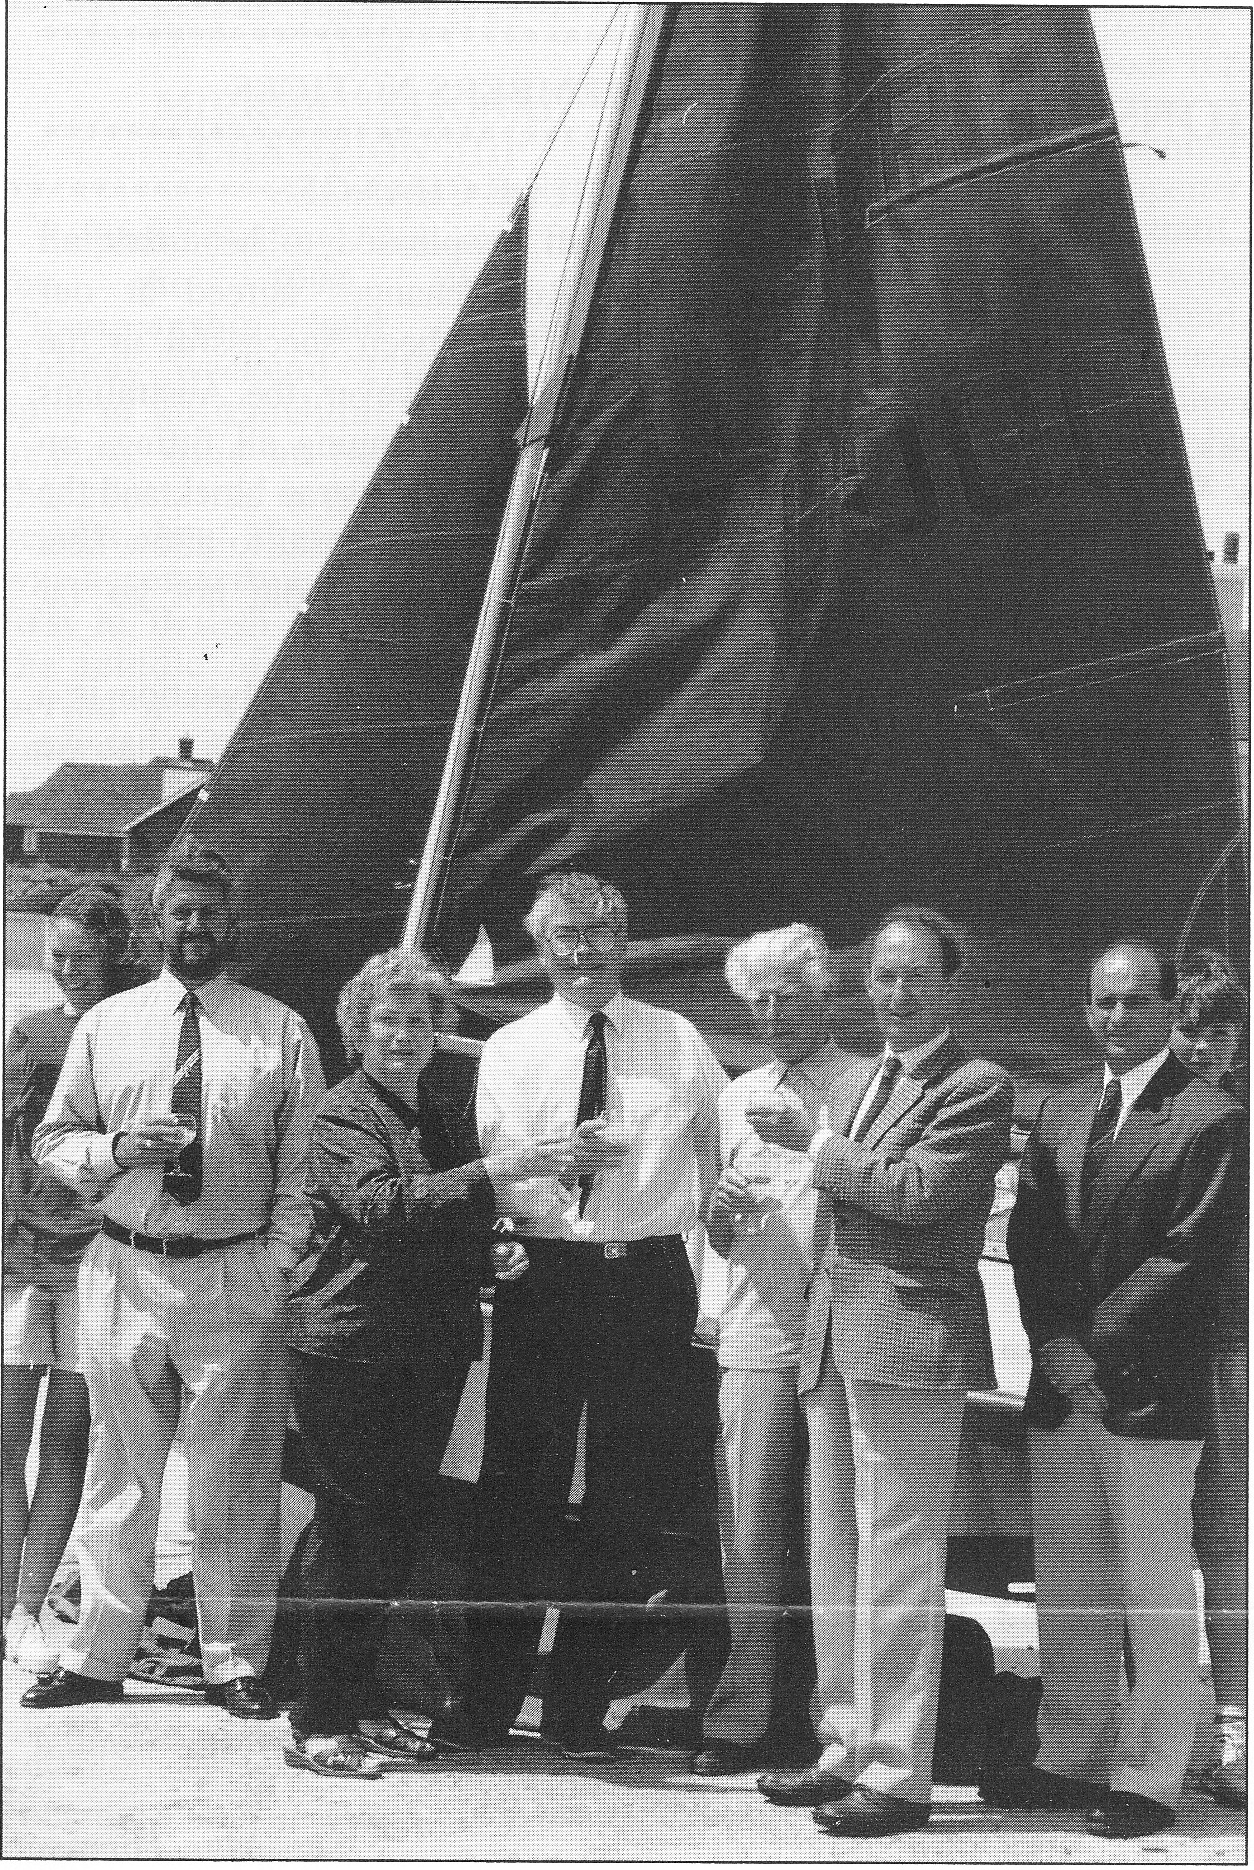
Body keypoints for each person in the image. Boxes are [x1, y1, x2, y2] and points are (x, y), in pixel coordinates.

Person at [426, 872, 726, 1761]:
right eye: (568, 935)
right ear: (541, 947)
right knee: (517, 1491)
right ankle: (484, 1702)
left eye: (605, 931)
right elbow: (488, 1176)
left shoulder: (678, 1041)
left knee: (628, 1502)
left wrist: (714, 1289)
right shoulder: (510, 1049)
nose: (588, 951)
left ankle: (580, 1709)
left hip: (646, 1278)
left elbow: (721, 1166)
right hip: (545, 1280)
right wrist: (504, 1237)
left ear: (626, 940)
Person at [23, 842, 324, 1716]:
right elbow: (53, 1143)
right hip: (123, 1264)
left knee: (234, 1482)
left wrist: (273, 1264)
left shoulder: (280, 1028)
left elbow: (305, 1166)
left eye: (210, 914)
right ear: (157, 923)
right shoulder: (107, 1025)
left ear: (233, 926)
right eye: (180, 913)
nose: (195, 927)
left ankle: (235, 1662)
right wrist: (116, 1151)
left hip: (235, 1273)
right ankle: (96, 1657)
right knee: (119, 1474)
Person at [750, 906, 1011, 1838]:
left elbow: (923, 1195)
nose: (896, 994)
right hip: (834, 1338)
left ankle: (900, 1775)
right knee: (837, 1560)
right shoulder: (870, 1080)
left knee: (899, 1560)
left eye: (916, 979)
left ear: (951, 986)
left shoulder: (976, 1084)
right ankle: (845, 1745)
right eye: (883, 978)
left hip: (906, 1343)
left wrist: (815, 1148)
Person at [283, 948, 564, 1780]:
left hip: (424, 1351)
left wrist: (495, 1253)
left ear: (438, 1031)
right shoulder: (343, 1115)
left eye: (419, 1020)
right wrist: (496, 1170)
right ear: (356, 1030)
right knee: (351, 1534)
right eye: (387, 1020)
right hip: (350, 1349)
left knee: (393, 1534)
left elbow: (453, 1223)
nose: (404, 1035)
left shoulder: (435, 1115)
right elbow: (380, 1207)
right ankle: (317, 1719)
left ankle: (359, 1704)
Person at [997, 939, 1246, 1839]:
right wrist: (1052, 1345)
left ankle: (1147, 1778)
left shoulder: (1212, 1117)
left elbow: (1187, 1254)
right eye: (1101, 1001)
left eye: (1135, 1002)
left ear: (1165, 1009)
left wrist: (1088, 1347)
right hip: (1063, 1387)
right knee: (1070, 1583)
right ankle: (1069, 1754)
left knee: (1152, 1588)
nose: (1115, 1018)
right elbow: (1030, 1244)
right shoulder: (1060, 1111)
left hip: (1145, 1391)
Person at [693, 924, 851, 1776]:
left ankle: (837, 1726)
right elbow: (718, 1229)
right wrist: (718, 1215)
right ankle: (743, 1715)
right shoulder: (734, 1092)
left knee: (840, 1540)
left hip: (842, 1335)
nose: (773, 1010)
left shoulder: (865, 1084)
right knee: (747, 1537)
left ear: (825, 992)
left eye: (789, 991)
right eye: (757, 998)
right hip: (754, 1330)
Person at [3, 887, 146, 1674]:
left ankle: (26, 1608)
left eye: (84, 958)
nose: (67, 971)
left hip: (96, 1261)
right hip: (20, 1259)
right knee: (5, 1441)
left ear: (116, 956)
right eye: (56, 955)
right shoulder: (29, 1031)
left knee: (65, 1449)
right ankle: (6, 1606)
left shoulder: (129, 1032)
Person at [1171, 950, 1248, 1809]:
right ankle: (1157, 1722)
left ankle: (1235, 1724)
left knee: (1226, 1548)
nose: (1202, 1047)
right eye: (1188, 1030)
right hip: (1149, 1360)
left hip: (1224, 1354)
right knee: (1141, 1551)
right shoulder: (1141, 1115)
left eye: (1219, 1033)